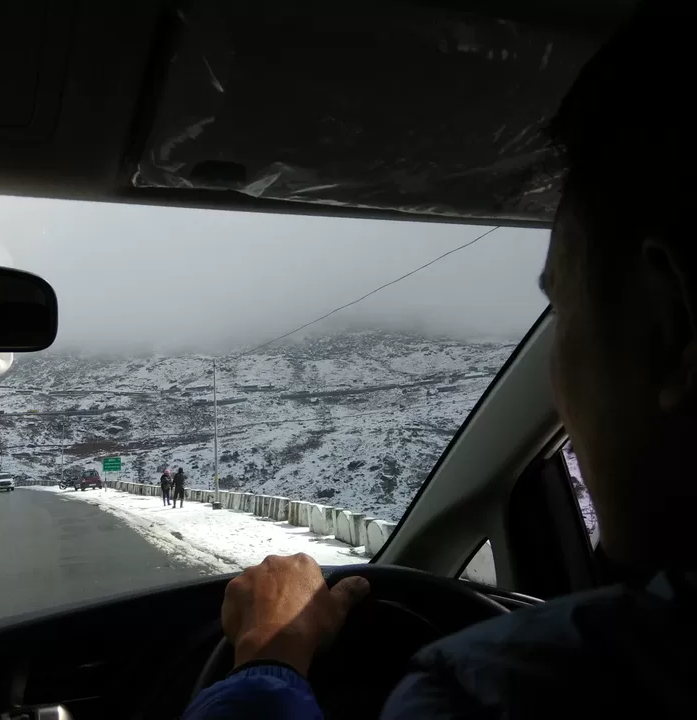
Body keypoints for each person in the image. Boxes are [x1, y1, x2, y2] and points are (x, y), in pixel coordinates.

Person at [183, 4, 695, 718]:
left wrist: (267, 661)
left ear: (668, 327)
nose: (557, 377)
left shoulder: (498, 693)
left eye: (562, 310)